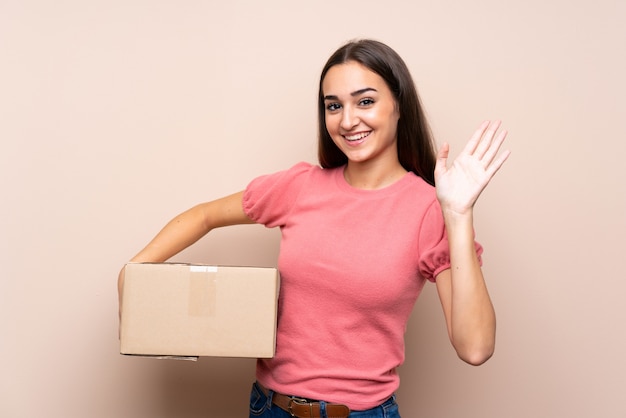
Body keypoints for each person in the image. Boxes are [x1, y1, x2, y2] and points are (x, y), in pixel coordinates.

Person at [118, 39, 510, 418]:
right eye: (333, 106)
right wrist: (134, 272)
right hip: (270, 408)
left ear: (399, 105)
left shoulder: (429, 210)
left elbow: (474, 348)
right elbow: (203, 215)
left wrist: (457, 215)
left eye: (366, 101)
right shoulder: (300, 186)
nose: (348, 120)